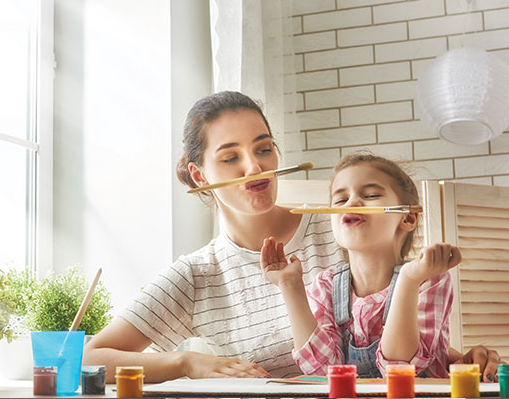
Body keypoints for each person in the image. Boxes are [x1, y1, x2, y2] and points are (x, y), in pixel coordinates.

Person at [83, 91, 503, 382]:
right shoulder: (196, 276)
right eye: (230, 157)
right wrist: (186, 362)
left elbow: (392, 331)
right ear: (199, 176)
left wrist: (459, 360)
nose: (254, 167)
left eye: (263, 149)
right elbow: (84, 359)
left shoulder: (344, 225)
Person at [262, 153, 460, 378]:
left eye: (371, 195)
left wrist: (408, 281)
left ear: (407, 218)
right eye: (340, 200)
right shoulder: (325, 286)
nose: (351, 202)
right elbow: (325, 371)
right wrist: (290, 287)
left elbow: (402, 370)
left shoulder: (428, 278)